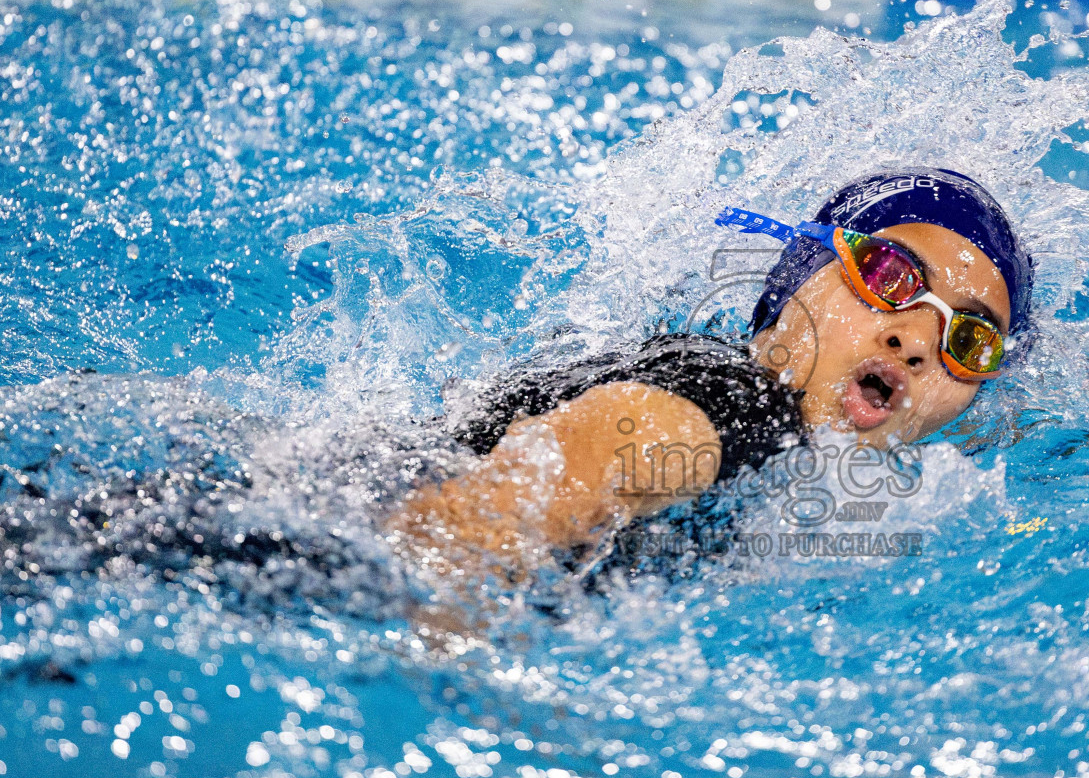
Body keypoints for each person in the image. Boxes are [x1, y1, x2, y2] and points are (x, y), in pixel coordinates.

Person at [388, 167, 1034, 575]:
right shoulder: (733, 403)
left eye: (970, 341)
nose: (916, 339)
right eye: (887, 276)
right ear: (795, 282)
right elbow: (468, 534)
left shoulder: (813, 467)